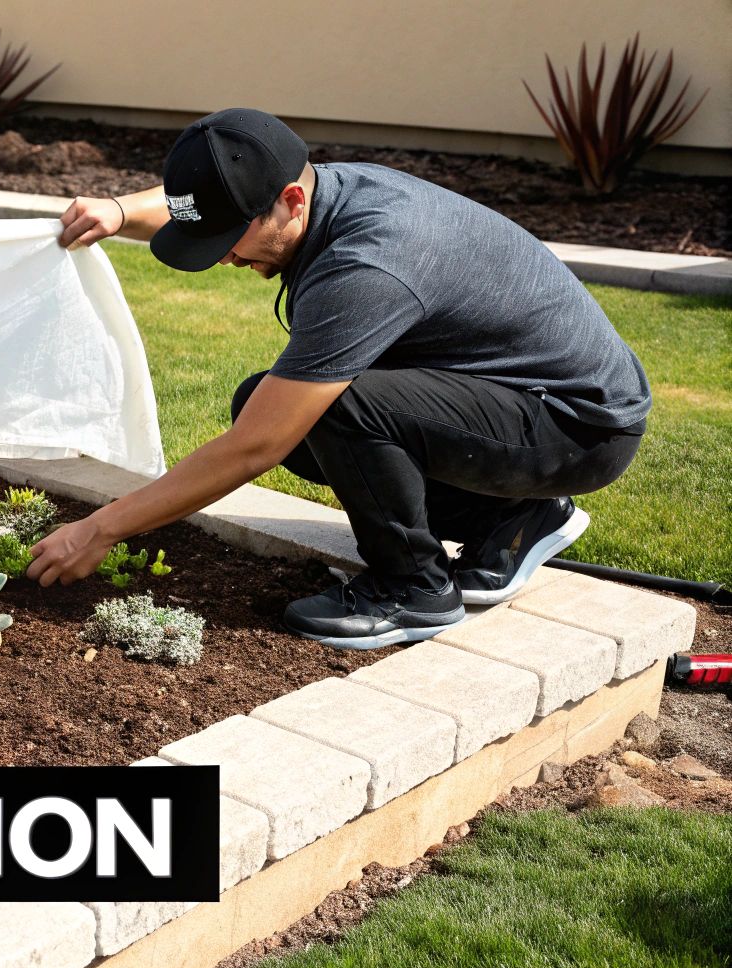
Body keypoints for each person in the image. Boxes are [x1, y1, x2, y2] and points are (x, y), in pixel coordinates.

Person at [34, 107, 649, 650]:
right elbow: (207, 208)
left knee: (323, 410)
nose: (224, 256)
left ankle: (414, 588)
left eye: (228, 239)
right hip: (525, 402)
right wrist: (118, 212)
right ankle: (510, 519)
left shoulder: (366, 265)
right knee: (269, 399)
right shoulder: (320, 186)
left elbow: (257, 446)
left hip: (577, 428)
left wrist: (100, 528)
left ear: (291, 201)